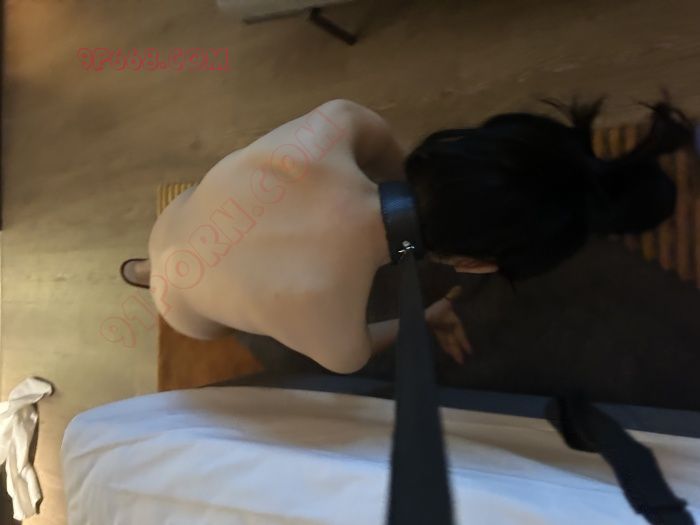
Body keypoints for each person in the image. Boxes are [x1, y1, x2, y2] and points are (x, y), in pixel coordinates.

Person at [120, 98, 691, 373]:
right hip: (184, 310)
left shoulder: (337, 123)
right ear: (474, 264)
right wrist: (429, 313)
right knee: (194, 303)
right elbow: (360, 346)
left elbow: (393, 170)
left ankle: (143, 270)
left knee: (173, 258)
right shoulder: (334, 335)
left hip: (179, 218)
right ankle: (147, 275)